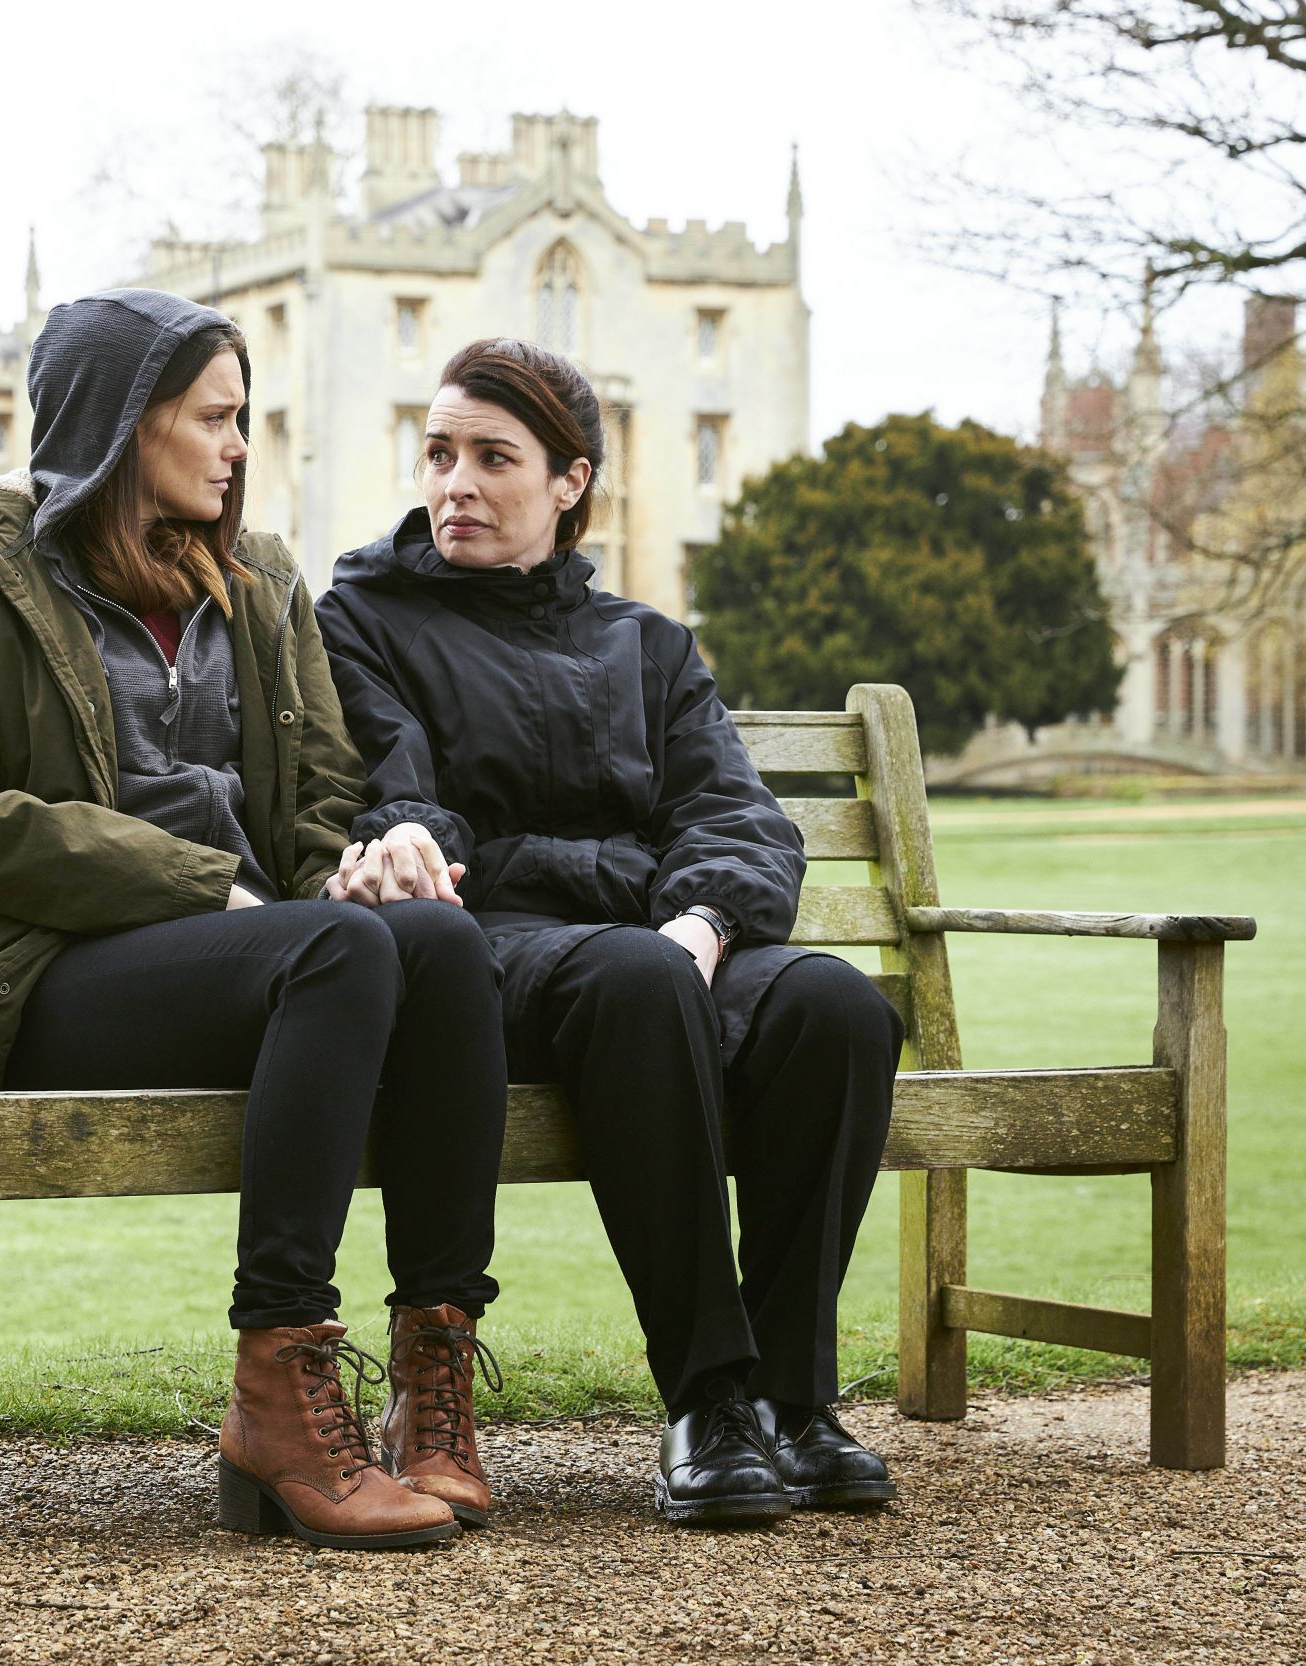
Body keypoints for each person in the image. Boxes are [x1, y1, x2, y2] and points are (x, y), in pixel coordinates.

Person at [0, 290, 507, 1548]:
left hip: (254, 960)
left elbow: (321, 787)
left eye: (242, 419)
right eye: (212, 418)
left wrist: (352, 862)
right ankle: (278, 1384)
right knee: (332, 949)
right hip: (36, 975)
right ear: (123, 423)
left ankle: (432, 1376)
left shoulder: (256, 573)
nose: (234, 445)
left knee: (432, 935)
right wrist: (190, 883)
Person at [314, 337, 903, 1528]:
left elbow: (732, 814)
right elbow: (409, 803)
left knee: (833, 1004)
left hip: (655, 940)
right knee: (642, 979)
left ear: (570, 481)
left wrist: (702, 918)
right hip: (484, 952)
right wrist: (444, 849)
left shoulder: (646, 643)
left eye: (493, 457)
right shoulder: (361, 619)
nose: (456, 484)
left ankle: (792, 1398)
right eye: (438, 453)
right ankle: (705, 1397)